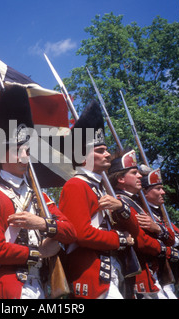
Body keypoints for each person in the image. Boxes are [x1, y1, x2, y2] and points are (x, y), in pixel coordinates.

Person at [0, 85, 76, 299]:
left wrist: (42, 224)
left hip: (43, 284)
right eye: (17, 150)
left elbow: (71, 231)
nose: (24, 156)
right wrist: (40, 253)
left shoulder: (41, 196)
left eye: (26, 150)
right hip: (10, 284)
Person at [58, 101, 137, 299]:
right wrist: (119, 239)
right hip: (90, 273)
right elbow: (80, 234)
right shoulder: (76, 185)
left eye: (106, 150)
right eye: (100, 151)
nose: (108, 154)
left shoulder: (100, 188)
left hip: (111, 271)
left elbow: (134, 230)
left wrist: (121, 208)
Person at [107, 149, 175, 299]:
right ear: (121, 179)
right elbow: (141, 241)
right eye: (134, 172)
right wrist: (166, 250)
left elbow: (171, 238)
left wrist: (157, 228)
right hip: (136, 273)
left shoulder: (137, 203)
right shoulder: (122, 201)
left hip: (151, 271)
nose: (139, 176)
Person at [139, 166, 179, 298]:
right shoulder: (142, 213)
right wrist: (170, 248)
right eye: (158, 189)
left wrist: (168, 237)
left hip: (167, 278)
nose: (163, 192)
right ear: (144, 192)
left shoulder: (162, 217)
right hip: (151, 274)